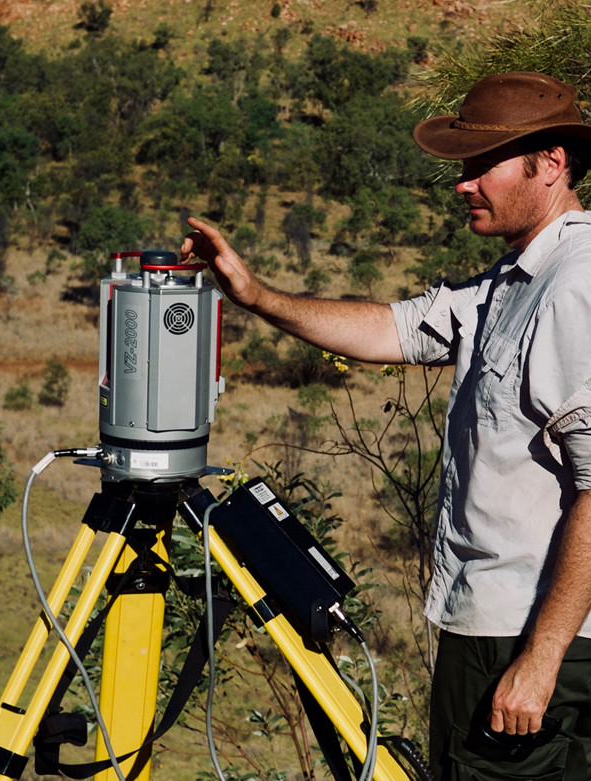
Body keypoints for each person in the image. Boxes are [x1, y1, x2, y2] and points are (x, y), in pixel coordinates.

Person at [181, 71, 591, 780]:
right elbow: (392, 329)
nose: (462, 184)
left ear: (550, 163)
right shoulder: (510, 282)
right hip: (485, 630)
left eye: (479, 165)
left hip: (526, 638)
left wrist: (540, 657)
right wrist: (251, 294)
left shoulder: (573, 286)